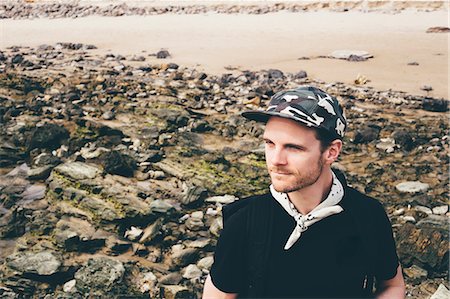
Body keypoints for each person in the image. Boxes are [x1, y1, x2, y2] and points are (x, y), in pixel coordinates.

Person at [202, 86, 405, 299]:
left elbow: (392, 286)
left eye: (293, 147)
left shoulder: (367, 215)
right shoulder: (245, 223)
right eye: (270, 144)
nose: (276, 160)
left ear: (331, 152)